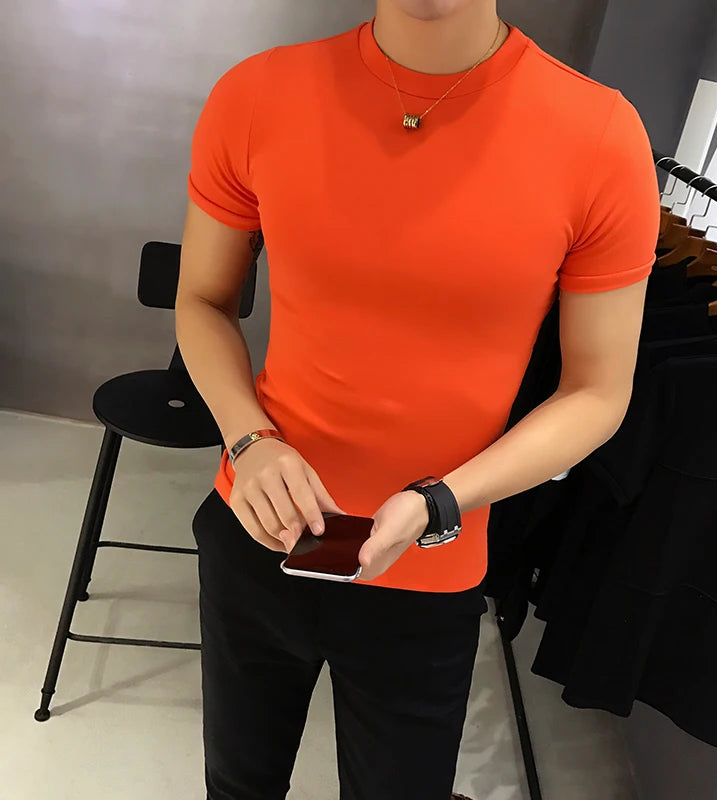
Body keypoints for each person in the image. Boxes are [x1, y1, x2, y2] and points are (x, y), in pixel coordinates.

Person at [175, 0, 661, 797]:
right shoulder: (259, 95)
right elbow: (201, 301)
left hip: (429, 566)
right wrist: (249, 441)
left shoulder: (600, 137)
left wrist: (441, 502)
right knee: (236, 786)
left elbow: (598, 392)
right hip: (260, 534)